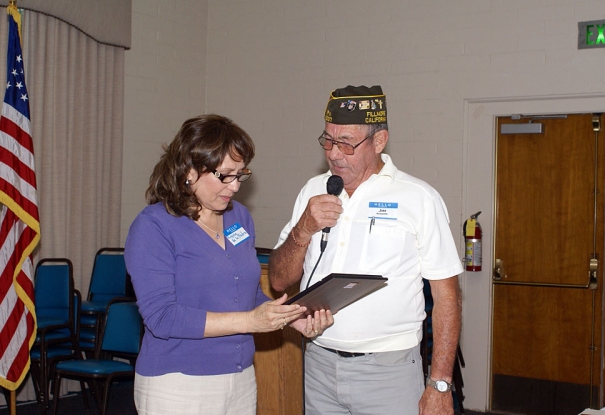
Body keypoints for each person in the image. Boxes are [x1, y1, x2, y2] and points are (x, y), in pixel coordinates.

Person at [268, 86, 463, 415]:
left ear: (379, 141)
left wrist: (440, 383)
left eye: (346, 143)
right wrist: (303, 229)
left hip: (389, 373)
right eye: (327, 141)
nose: (334, 153)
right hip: (318, 365)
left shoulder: (418, 197)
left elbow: (448, 297)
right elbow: (277, 280)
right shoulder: (313, 190)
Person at [124, 114, 333, 415]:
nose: (234, 187)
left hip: (240, 379)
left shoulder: (239, 218)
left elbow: (246, 294)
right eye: (225, 175)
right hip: (177, 385)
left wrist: (292, 318)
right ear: (189, 171)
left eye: (240, 175)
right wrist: (250, 322)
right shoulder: (154, 226)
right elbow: (162, 317)